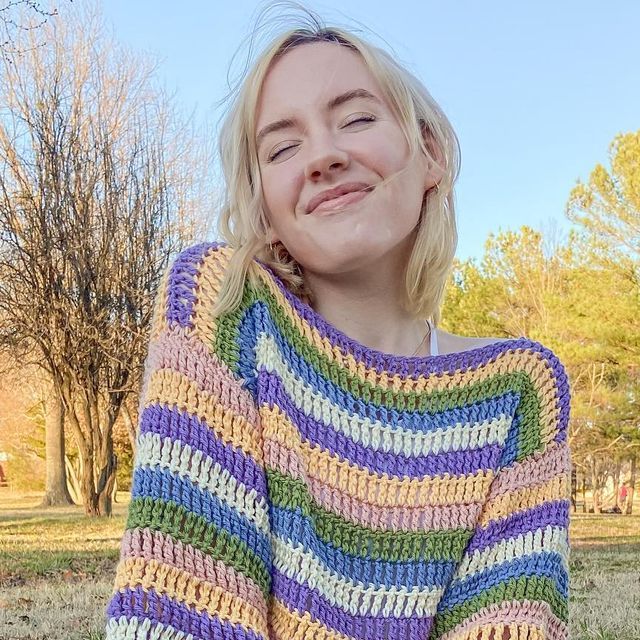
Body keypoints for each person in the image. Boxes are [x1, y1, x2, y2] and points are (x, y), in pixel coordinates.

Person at [104, 8, 572, 640]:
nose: (323, 156)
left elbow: (511, 621)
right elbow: (183, 601)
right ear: (264, 207)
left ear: (429, 153)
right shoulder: (225, 312)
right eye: (283, 148)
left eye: (356, 118)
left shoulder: (520, 391)